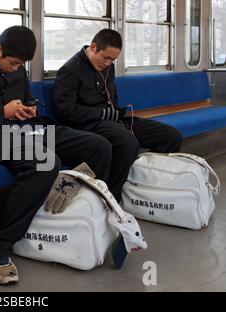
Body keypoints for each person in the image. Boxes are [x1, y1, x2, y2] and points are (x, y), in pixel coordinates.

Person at [0, 26, 112, 285]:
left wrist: (30, 107)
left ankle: (74, 214)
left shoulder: (18, 69)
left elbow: (27, 99)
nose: (15, 69)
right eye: (12, 63)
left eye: (20, 65)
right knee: (46, 163)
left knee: (98, 146)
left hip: (25, 132)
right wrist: (2, 112)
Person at [54, 29, 183, 202]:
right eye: (106, 58)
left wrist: (116, 111)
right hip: (89, 123)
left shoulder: (108, 67)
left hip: (115, 120)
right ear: (93, 47)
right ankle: (110, 198)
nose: (108, 63)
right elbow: (66, 112)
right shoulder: (70, 70)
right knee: (128, 143)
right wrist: (100, 113)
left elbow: (111, 96)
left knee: (171, 136)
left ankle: (143, 185)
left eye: (113, 60)